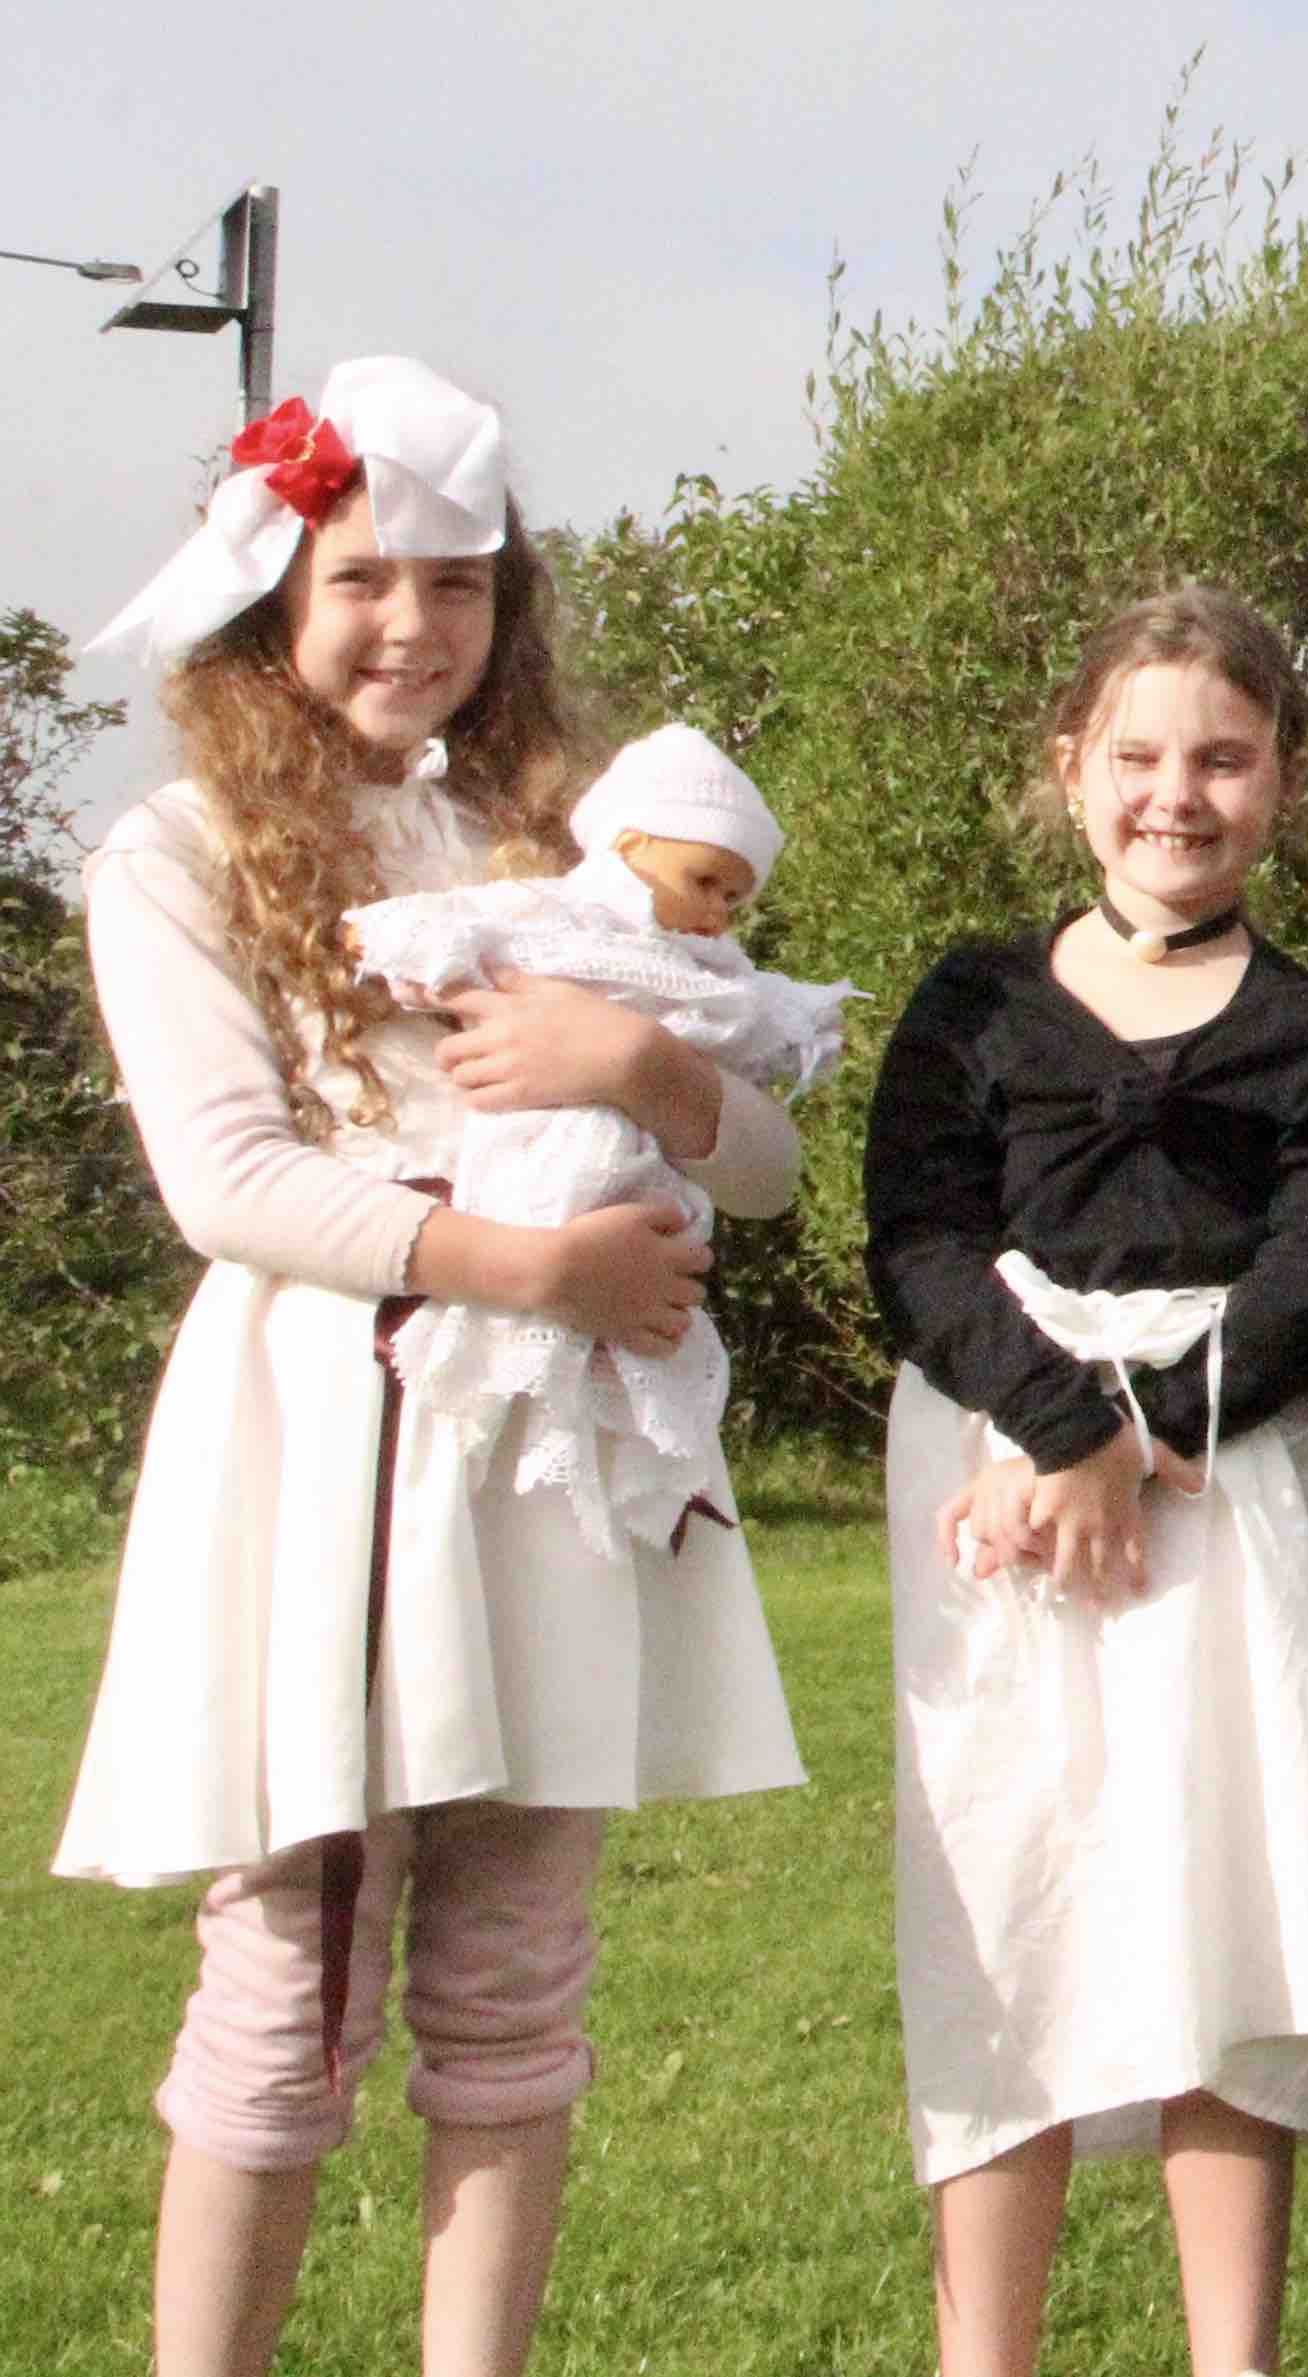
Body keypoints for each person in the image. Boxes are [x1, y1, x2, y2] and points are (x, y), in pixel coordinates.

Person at [55, 355, 807, 2377]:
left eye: (459, 586)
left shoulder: (571, 842)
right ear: (278, 594)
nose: (414, 628)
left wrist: (639, 1065)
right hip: (326, 1444)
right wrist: (537, 1260)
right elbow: (231, 1181)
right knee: (287, 1975)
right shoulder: (182, 852)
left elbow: (768, 1159)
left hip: (536, 1466)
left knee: (510, 1976)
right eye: (368, 579)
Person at [861, 586, 1308, 2377]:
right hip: (997, 1486)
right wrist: (1054, 1426)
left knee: (1220, 1904)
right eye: (1141, 755)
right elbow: (920, 1243)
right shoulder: (976, 1001)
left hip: (1232, 1483)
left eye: (1226, 758)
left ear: (1284, 781)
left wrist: (1142, 1428)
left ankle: (1227, 2356)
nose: (1181, 794)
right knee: (1008, 1896)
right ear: (1070, 769)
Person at [345, 720, 856, 1558]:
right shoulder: (557, 915)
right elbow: (466, 924)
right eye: (704, 880)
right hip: (525, 1175)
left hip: (650, 1192)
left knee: (642, 1348)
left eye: (734, 897)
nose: (716, 911)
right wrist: (385, 941)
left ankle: (625, 1454)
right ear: (629, 843)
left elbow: (764, 1105)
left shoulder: (710, 973)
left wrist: (657, 1056)